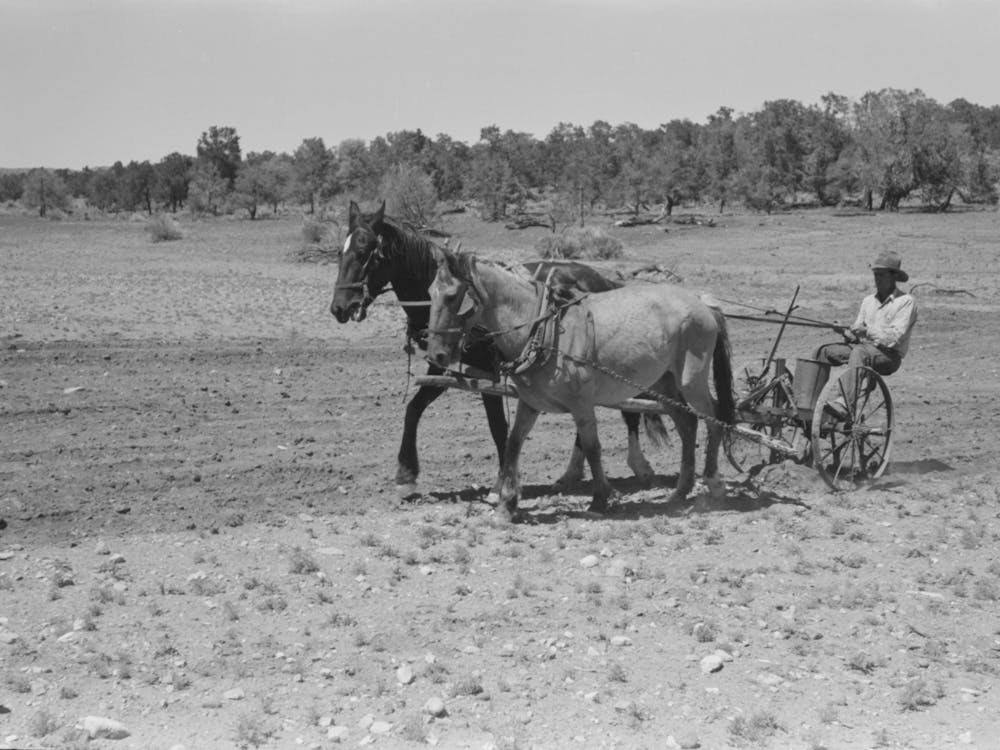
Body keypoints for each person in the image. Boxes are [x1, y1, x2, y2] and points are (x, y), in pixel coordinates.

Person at [813, 250, 917, 419]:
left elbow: (894, 338)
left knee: (859, 352)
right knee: (822, 351)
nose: (877, 279)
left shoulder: (905, 302)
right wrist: (846, 332)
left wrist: (866, 331)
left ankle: (845, 404)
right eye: (875, 274)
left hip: (889, 356)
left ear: (893, 276)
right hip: (863, 349)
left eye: (881, 275)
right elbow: (857, 338)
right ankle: (812, 402)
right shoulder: (868, 301)